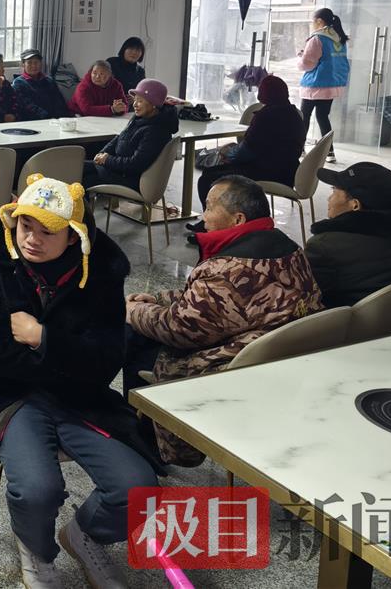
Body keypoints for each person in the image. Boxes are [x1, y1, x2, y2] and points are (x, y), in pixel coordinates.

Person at [0, 175, 163, 588]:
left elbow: (106, 360)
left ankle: (84, 535)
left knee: (138, 488)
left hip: (78, 396)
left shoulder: (101, 267)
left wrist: (41, 337)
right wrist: (70, 355)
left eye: (48, 231)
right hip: (4, 392)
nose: (32, 239)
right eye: (25, 225)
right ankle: (37, 551)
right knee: (37, 489)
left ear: (74, 235)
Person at [124, 175, 323, 466]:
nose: (203, 216)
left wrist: (133, 311)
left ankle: (146, 441)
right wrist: (159, 299)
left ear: (237, 219)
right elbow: (216, 301)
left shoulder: (227, 269)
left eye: (208, 207)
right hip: (278, 356)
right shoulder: (287, 248)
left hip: (230, 367)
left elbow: (179, 329)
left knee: (134, 335)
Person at [305, 163, 391, 308]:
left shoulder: (322, 246)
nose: (329, 198)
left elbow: (308, 300)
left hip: (347, 321)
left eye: (334, 191)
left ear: (355, 205)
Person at [194, 74, 305, 209]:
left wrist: (227, 153)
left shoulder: (266, 116)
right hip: (289, 172)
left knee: (207, 178)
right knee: (215, 171)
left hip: (266, 172)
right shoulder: (294, 114)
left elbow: (246, 153)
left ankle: (214, 219)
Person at [82, 79, 178, 190]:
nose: (135, 104)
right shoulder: (139, 118)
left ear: (154, 104)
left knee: (79, 179)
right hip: (116, 170)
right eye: (135, 100)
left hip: (128, 179)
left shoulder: (156, 131)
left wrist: (107, 160)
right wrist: (102, 154)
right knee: (74, 167)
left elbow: (135, 164)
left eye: (140, 101)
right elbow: (120, 138)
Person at [297, 7, 349, 163]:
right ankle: (330, 152)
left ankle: (299, 149)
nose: (312, 24)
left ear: (319, 21)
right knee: (323, 116)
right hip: (332, 85)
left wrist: (300, 58)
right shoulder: (338, 38)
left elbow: (307, 64)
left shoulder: (317, 39)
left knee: (304, 116)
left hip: (315, 85)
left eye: (313, 21)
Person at [13, 48, 68, 118]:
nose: (33, 66)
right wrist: (48, 117)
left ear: (41, 63)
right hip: (33, 120)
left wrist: (61, 117)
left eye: (36, 62)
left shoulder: (49, 80)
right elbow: (28, 106)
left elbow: (59, 102)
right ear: (23, 64)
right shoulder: (18, 83)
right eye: (29, 62)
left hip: (55, 120)